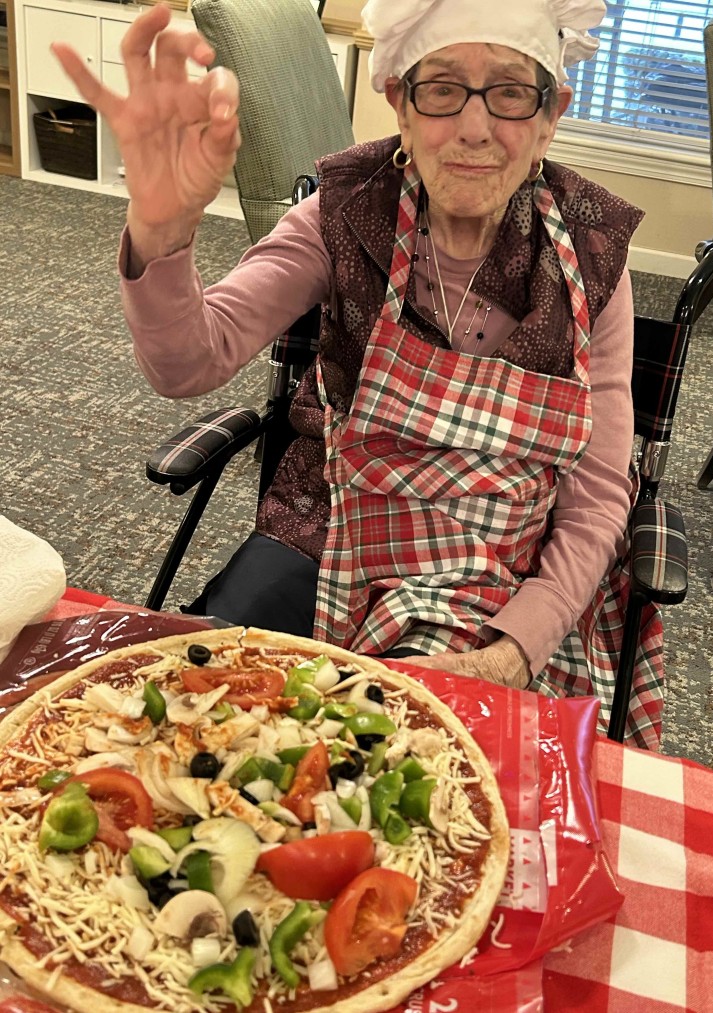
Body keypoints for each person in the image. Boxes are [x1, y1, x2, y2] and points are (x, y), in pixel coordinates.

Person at [53, 0, 664, 748]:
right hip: (327, 527)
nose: (475, 128)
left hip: (507, 558)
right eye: (441, 89)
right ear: (400, 106)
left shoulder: (595, 258)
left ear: (551, 114)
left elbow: (599, 493)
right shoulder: (342, 214)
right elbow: (189, 360)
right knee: (205, 725)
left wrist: (512, 649)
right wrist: (163, 234)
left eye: (510, 91)